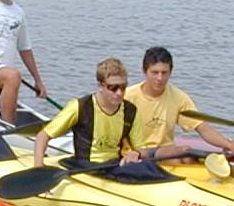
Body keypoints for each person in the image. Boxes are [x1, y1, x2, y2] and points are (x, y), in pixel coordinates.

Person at [34, 57, 166, 183]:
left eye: (123, 87)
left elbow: (143, 150)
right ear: (100, 85)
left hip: (113, 165)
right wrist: (38, 170)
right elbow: (42, 136)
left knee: (150, 167)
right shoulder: (79, 107)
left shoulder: (130, 111)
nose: (119, 93)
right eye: (113, 88)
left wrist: (136, 153)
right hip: (85, 166)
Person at [123, 46, 234, 162]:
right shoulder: (127, 96)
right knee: (181, 154)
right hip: (135, 153)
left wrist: (231, 146)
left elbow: (202, 128)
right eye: (155, 72)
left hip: (164, 151)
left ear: (170, 72)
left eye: (164, 73)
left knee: (187, 157)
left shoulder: (179, 97)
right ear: (144, 71)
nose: (160, 78)